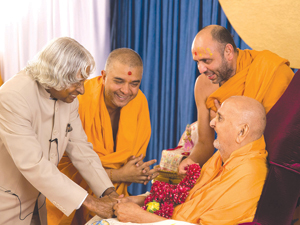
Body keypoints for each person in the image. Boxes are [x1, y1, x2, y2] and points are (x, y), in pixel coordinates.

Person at [0, 37, 120, 225]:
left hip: (39, 202)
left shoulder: (68, 99)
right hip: (8, 204)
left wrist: (109, 193)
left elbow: (81, 148)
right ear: (55, 76)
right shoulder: (12, 97)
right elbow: (33, 163)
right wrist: (92, 203)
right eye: (76, 83)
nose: (81, 90)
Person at [113, 96, 268, 225]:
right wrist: (139, 200)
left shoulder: (249, 174)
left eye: (220, 118)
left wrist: (140, 217)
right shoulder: (222, 158)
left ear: (242, 132)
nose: (211, 123)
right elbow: (185, 198)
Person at [46, 48, 160, 225]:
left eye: (134, 83)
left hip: (112, 202)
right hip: (65, 203)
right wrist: (120, 174)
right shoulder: (78, 101)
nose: (126, 90)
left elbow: (131, 159)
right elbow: (59, 165)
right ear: (104, 76)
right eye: (119, 81)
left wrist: (139, 172)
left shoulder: (139, 103)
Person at [178, 24, 294, 174]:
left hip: (265, 168)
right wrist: (191, 161)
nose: (201, 69)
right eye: (197, 62)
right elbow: (205, 143)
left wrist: (231, 122)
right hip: (226, 168)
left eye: (207, 61)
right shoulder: (203, 85)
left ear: (228, 52)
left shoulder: (270, 71)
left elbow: (283, 139)